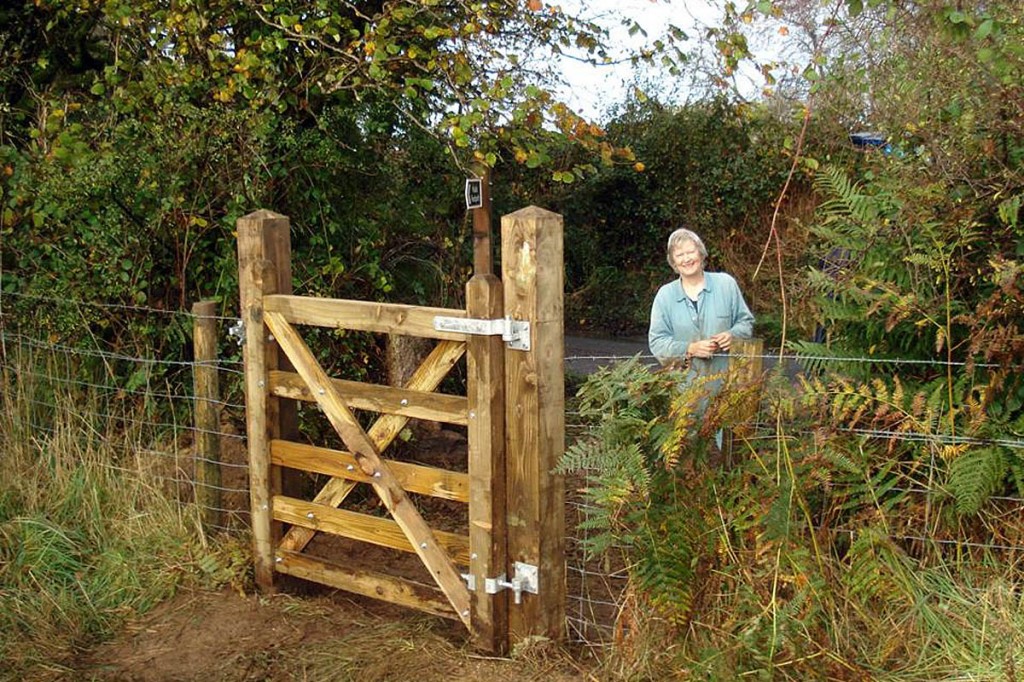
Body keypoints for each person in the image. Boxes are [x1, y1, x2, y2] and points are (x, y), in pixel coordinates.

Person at [649, 227, 755, 390]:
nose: (686, 259)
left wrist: (732, 335)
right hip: (683, 393)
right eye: (680, 255)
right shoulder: (665, 296)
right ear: (673, 262)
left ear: (700, 253)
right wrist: (690, 349)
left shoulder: (726, 285)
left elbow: (746, 323)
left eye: (690, 252)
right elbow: (657, 343)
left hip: (727, 390)